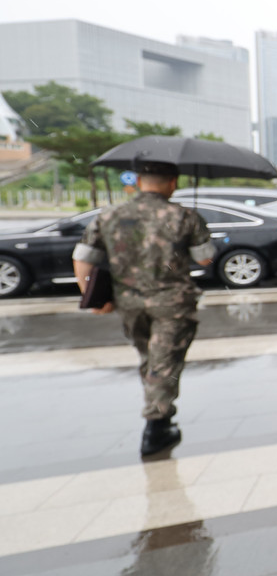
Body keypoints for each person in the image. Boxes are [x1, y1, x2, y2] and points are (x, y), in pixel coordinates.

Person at [72, 161, 216, 457]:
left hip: (129, 302)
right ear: (173, 183)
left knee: (149, 357)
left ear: (138, 181)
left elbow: (83, 257)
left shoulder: (110, 214)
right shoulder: (184, 216)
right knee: (164, 361)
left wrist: (91, 295)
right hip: (172, 302)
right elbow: (204, 259)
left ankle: (158, 412)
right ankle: (156, 425)